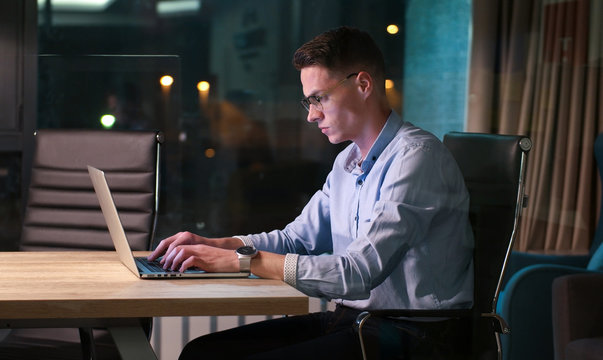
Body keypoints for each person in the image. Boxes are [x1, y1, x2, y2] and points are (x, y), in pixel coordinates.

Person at [148, 26, 474, 359]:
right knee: (201, 353)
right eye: (308, 101)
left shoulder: (416, 158)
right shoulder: (348, 160)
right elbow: (297, 240)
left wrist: (239, 261)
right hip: (356, 321)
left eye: (319, 98)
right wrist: (223, 245)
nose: (311, 115)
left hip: (414, 335)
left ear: (363, 84)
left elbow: (359, 273)